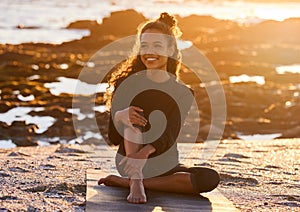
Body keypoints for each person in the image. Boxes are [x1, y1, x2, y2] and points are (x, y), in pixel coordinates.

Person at [98, 12, 220, 204]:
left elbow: (170, 133)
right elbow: (114, 137)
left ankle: (129, 183)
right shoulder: (126, 83)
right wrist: (119, 116)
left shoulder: (182, 92)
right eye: (144, 45)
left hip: (164, 162)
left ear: (170, 50)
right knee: (133, 124)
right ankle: (135, 179)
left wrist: (144, 154)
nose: (149, 51)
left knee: (209, 178)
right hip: (129, 159)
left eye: (157, 46)